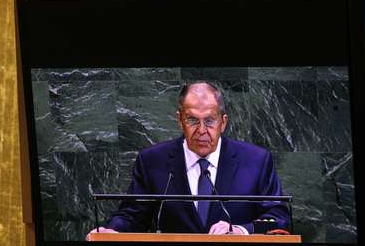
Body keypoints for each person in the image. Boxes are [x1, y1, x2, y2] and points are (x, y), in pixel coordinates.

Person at [90, 81, 290, 237]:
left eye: (210, 121)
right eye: (192, 120)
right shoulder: (152, 161)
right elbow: (132, 215)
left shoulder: (255, 160)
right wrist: (113, 231)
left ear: (223, 122)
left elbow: (278, 218)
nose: (201, 131)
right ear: (179, 120)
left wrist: (241, 230)